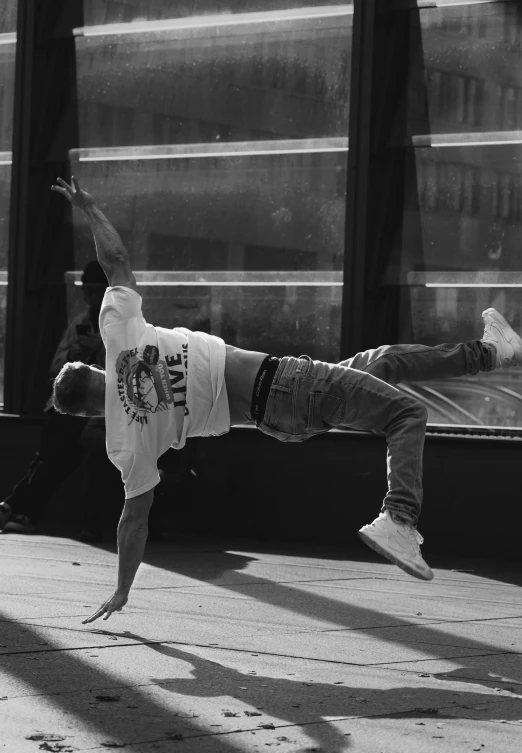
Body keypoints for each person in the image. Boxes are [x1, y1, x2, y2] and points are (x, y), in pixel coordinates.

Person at [50, 177, 522, 624]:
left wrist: (123, 588)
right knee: (407, 412)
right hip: (287, 385)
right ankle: (399, 517)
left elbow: (133, 520)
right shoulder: (119, 337)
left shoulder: (124, 445)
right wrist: (89, 207)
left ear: (85, 411)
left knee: (385, 361)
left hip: (279, 418)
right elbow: (116, 261)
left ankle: (491, 352)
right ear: (94, 369)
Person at [0, 261, 107, 537]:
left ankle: (19, 507)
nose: (93, 300)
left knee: (61, 455)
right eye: (89, 293)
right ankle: (17, 506)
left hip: (99, 409)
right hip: (70, 405)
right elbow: (55, 366)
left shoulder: (120, 327)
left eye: (99, 293)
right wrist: (76, 353)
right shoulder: (80, 323)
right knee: (50, 453)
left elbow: (129, 371)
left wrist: (103, 350)